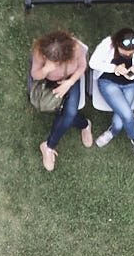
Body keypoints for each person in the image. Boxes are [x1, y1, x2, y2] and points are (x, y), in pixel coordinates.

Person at [29, 30, 92, 172]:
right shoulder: (40, 51)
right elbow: (35, 75)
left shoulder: (76, 48)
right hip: (50, 83)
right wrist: (46, 69)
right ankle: (84, 124)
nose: (54, 63)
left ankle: (49, 146)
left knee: (69, 113)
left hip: (70, 81)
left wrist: (69, 83)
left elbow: (82, 67)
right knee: (66, 114)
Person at [89, 28, 134, 160]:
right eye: (125, 54)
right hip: (109, 82)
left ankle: (112, 131)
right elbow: (92, 63)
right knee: (126, 114)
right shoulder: (107, 43)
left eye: (131, 54)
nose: (128, 56)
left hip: (130, 84)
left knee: (119, 123)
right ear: (117, 44)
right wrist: (114, 68)